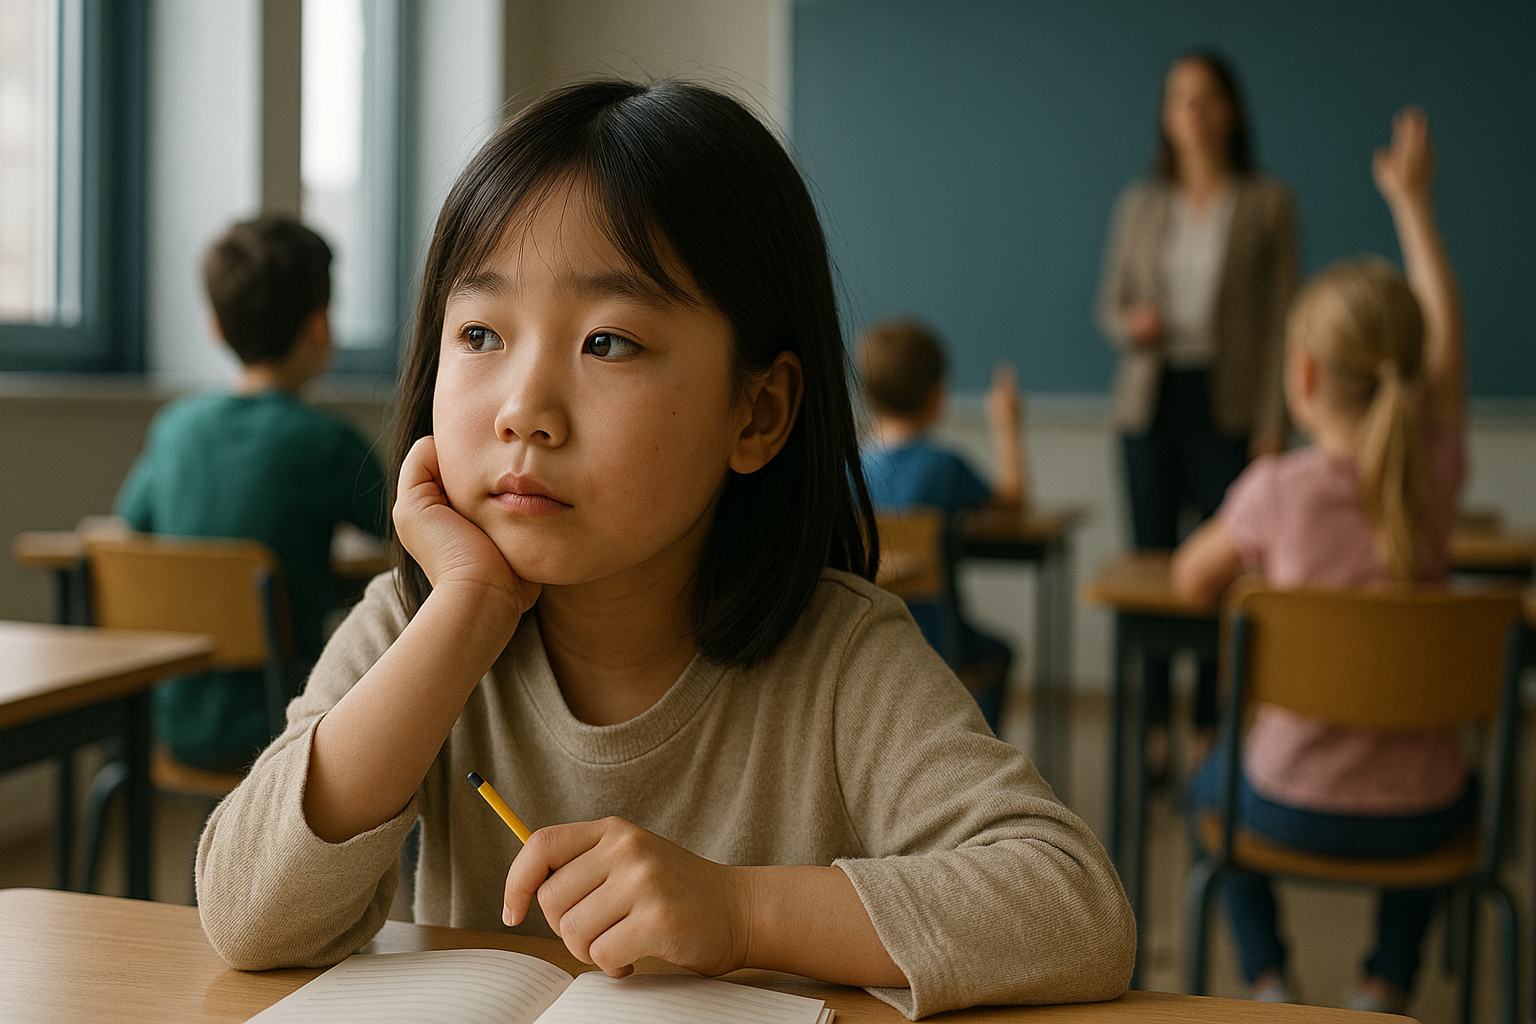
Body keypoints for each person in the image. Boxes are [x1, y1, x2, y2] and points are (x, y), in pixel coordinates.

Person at [194, 81, 1134, 1018]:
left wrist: (740, 909)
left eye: (607, 343)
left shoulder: (841, 657)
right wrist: (468, 611)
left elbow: (1077, 910)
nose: (523, 408)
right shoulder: (419, 622)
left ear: (756, 411)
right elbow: (246, 919)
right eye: (480, 333)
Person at [1173, 108, 1467, 1014]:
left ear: (1301, 377)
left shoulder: (1275, 489)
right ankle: (1387, 979)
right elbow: (1443, 349)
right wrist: (1413, 206)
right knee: (1463, 782)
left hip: (1287, 803)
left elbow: (1189, 580)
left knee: (1202, 786)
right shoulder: (1437, 475)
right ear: (1411, 379)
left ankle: (1267, 979)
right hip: (1426, 819)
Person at [115, 216, 388, 771]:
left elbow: (129, 528)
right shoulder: (329, 444)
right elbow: (408, 530)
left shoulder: (174, 430)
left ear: (214, 326)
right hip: (292, 734)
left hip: (176, 724)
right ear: (320, 328)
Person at [1096, 51, 1300, 782]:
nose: (1194, 110)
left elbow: (1286, 320)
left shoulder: (1269, 201)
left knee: (1220, 572)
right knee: (1151, 566)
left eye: (1208, 96)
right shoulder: (1139, 204)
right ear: (1165, 114)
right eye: (1180, 97)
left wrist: (1276, 422)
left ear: (1233, 111)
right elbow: (1109, 304)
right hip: (1152, 401)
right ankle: (1155, 729)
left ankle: (1210, 731)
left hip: (1231, 403)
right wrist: (1133, 324)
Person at [857, 318, 1026, 731]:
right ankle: (980, 750)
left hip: (863, 642)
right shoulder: (943, 466)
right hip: (936, 641)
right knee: (999, 653)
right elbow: (1014, 502)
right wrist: (1007, 425)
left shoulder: (847, 470)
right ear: (936, 397)